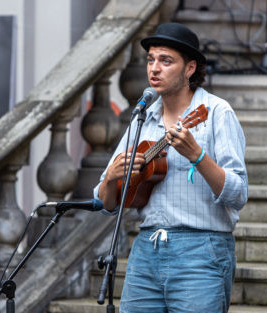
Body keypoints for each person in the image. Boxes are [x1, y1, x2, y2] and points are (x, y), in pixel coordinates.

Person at [94, 22, 248, 313]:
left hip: (202, 251)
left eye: (166, 61)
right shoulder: (143, 117)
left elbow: (238, 193)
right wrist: (111, 177)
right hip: (146, 249)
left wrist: (197, 156)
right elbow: (105, 202)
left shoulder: (215, 113)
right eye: (151, 60)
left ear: (190, 69)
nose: (154, 68)